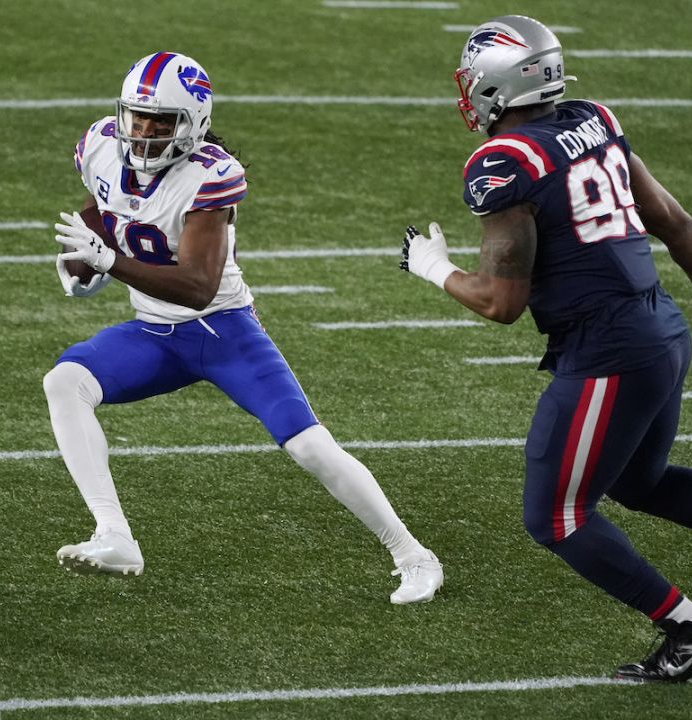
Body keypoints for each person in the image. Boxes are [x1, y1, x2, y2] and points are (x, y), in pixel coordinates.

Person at [400, 16, 692, 681]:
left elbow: (502, 302)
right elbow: (673, 219)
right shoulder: (593, 118)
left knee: (554, 517)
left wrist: (431, 267)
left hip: (608, 351)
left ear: (496, 84)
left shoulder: (503, 161)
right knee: (639, 481)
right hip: (658, 328)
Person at [44, 51, 442, 604]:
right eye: (139, 118)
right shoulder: (101, 146)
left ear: (194, 124)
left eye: (162, 123)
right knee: (64, 382)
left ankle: (413, 555)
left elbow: (197, 285)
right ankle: (114, 534)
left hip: (220, 331)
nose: (145, 134)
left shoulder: (210, 176)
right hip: (154, 333)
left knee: (309, 446)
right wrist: (81, 258)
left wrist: (111, 262)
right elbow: (103, 204)